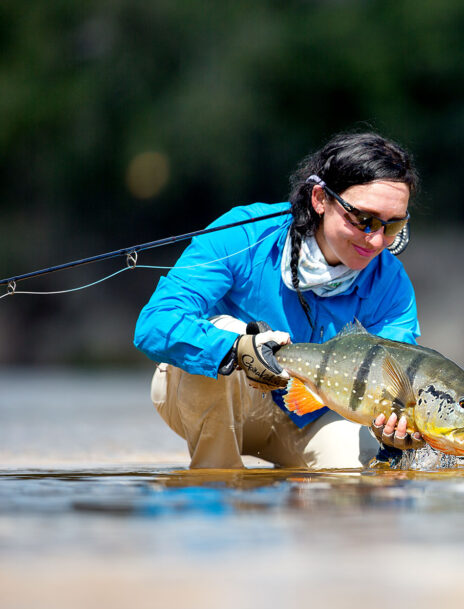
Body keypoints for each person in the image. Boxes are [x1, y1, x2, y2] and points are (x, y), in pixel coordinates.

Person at [135, 132, 425, 469]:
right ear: (320, 198)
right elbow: (154, 323)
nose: (376, 240)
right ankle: (214, 488)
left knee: (368, 478)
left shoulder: (392, 282)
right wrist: (234, 349)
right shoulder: (242, 232)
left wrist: (396, 432)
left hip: (313, 417)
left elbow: (398, 377)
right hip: (219, 399)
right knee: (223, 329)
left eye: (393, 226)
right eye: (364, 219)